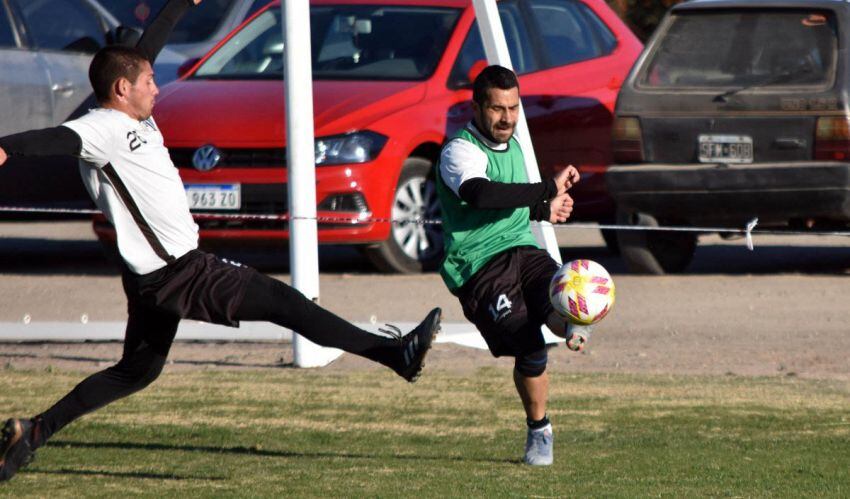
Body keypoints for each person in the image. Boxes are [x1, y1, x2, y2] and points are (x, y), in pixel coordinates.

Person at [0, 0, 441, 482]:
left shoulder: (131, 110)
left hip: (156, 275)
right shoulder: (100, 127)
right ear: (122, 90)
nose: (157, 86)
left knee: (137, 372)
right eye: (148, 82)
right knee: (282, 301)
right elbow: (56, 138)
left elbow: (144, 50)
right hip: (178, 273)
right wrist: (7, 147)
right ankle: (392, 354)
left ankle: (34, 433)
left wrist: (176, 7)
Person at [435, 65, 587, 466]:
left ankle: (572, 325)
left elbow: (511, 205)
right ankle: (540, 431)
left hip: (523, 250)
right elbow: (482, 194)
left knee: (561, 294)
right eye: (497, 109)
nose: (507, 118)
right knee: (530, 348)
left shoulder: (516, 145)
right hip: (479, 267)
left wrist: (543, 209)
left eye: (514, 108)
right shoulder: (459, 151)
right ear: (477, 106)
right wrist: (547, 189)